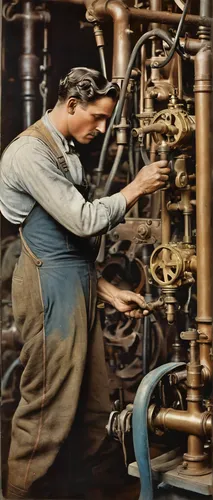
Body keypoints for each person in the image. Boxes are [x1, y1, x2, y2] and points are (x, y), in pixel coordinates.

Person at [0, 67, 170, 499]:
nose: (100, 127)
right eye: (95, 117)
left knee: (93, 405)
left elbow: (74, 250)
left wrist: (110, 294)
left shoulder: (67, 150)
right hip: (46, 286)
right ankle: (22, 491)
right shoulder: (29, 154)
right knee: (47, 407)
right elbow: (82, 221)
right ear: (72, 104)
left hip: (74, 282)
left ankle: (80, 488)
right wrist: (136, 186)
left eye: (105, 120)